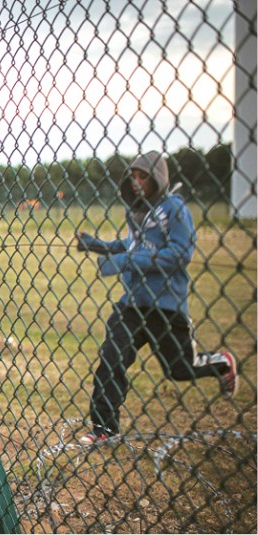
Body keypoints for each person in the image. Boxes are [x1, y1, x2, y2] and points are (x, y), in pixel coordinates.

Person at [76, 150, 239, 445]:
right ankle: (104, 428)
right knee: (112, 357)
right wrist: (98, 245)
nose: (137, 182)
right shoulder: (138, 211)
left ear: (158, 179)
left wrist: (132, 260)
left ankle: (222, 363)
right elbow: (132, 243)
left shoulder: (174, 208)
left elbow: (179, 253)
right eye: (134, 177)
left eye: (144, 177)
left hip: (166, 306)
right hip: (132, 305)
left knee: (179, 369)